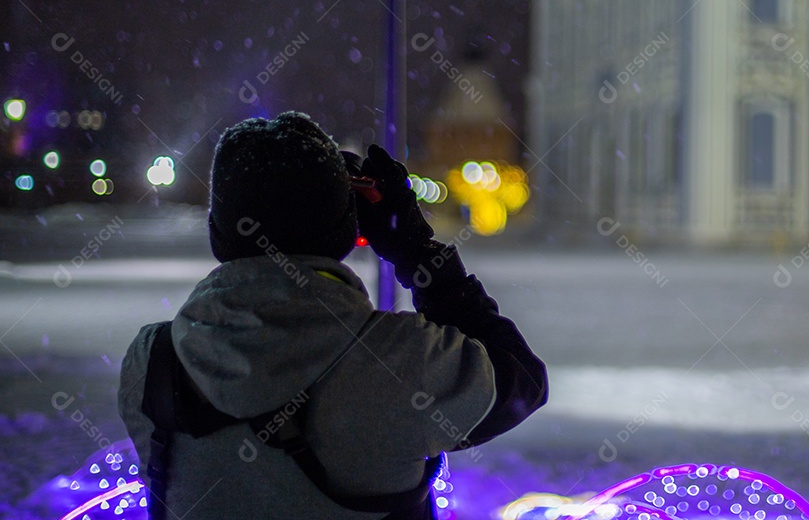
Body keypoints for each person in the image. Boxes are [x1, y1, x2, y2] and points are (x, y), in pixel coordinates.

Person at [117, 111, 547, 519]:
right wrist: (416, 251)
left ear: (218, 233)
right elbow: (520, 379)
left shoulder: (151, 362)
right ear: (348, 228)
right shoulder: (402, 361)